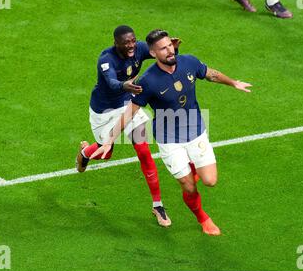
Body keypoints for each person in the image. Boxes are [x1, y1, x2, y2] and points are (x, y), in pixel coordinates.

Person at [90, 29, 252, 235]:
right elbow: (129, 113)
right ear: (153, 53)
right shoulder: (147, 81)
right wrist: (109, 140)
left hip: (195, 129)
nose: (169, 51)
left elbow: (211, 74)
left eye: (170, 46)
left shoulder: (189, 62)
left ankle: (192, 166)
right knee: (188, 187)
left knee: (210, 181)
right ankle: (203, 218)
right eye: (163, 49)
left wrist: (233, 83)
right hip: (169, 138)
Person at [76, 25, 183, 227]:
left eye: (133, 40)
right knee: (105, 153)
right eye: (126, 43)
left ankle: (158, 205)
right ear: (116, 43)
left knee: (144, 151)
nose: (132, 45)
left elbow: (160, 55)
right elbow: (112, 82)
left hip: (128, 104)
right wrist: (125, 85)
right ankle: (86, 153)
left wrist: (173, 50)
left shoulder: (140, 49)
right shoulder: (106, 60)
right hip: (104, 110)